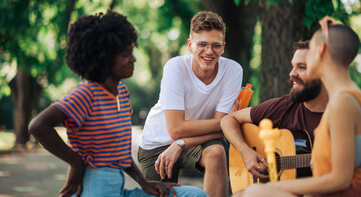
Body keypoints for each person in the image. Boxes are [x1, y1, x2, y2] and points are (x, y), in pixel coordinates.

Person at [28, 10, 207, 197]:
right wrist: (75, 162)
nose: (133, 59)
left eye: (131, 52)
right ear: (104, 59)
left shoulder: (121, 92)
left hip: (118, 189)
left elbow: (119, 151)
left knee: (195, 195)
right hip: (93, 187)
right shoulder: (86, 93)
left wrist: (144, 182)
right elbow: (38, 125)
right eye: (125, 55)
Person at [242, 16, 361, 197]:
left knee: (255, 193)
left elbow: (340, 180)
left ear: (320, 51)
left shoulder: (342, 102)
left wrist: (273, 188)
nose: (293, 71)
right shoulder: (344, 97)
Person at [138, 11, 243, 197]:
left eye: (216, 45)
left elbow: (221, 130)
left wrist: (180, 143)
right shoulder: (175, 67)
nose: (209, 51)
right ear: (190, 45)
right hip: (157, 144)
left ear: (223, 47)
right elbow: (176, 129)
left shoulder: (233, 70)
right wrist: (228, 120)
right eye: (202, 44)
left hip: (197, 140)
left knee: (216, 152)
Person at [221, 40, 329, 180]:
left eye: (301, 67)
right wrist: (246, 152)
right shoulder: (285, 106)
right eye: (292, 67)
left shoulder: (346, 113)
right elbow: (229, 119)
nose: (292, 73)